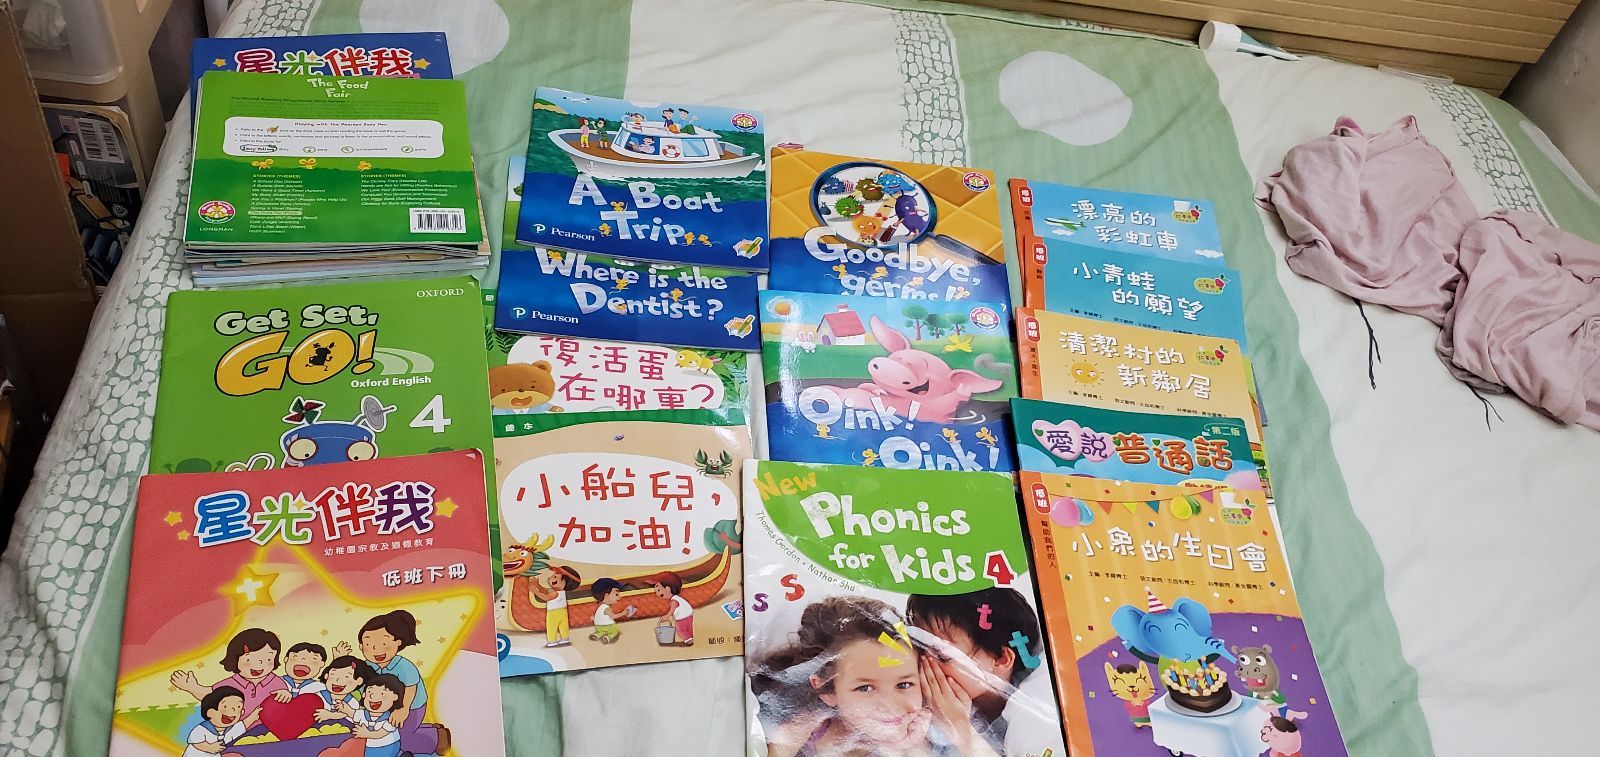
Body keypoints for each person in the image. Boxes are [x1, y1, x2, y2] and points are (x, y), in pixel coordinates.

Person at [750, 595, 997, 757]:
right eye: (865, 688)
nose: (890, 704)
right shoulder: (806, 729)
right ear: (827, 689)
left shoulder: (936, 730)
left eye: (904, 684)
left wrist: (916, 748)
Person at [906, 589, 1065, 757]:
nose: (923, 663)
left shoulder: (1039, 710)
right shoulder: (921, 721)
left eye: (941, 655)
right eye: (918, 646)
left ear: (1002, 659)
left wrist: (961, 730)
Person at [334, 610, 449, 755]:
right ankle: (426, 729)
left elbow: (411, 689)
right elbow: (350, 679)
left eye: (384, 643)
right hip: (384, 707)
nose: (377, 650)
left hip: (411, 706)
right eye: (369, 644)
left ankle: (437, 737)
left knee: (401, 740)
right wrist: (339, 660)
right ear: (361, 647)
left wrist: (403, 709)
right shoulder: (366, 666)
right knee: (385, 733)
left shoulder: (404, 666)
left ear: (398, 642)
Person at [170, 628, 287, 718]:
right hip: (236, 731)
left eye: (268, 659)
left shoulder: (276, 682)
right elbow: (211, 696)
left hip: (268, 730)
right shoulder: (230, 684)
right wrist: (191, 687)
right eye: (249, 659)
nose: (259, 665)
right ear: (235, 658)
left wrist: (286, 694)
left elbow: (288, 704)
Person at [183, 686, 259, 756]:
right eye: (225, 706)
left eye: (238, 707)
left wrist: (254, 716)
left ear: (242, 712)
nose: (233, 710)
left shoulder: (231, 730)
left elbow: (243, 725)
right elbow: (196, 743)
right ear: (210, 712)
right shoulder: (202, 729)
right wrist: (209, 747)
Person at [348, 674, 407, 757]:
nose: (373, 696)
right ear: (364, 695)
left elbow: (380, 733)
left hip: (387, 747)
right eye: (370, 692)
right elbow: (353, 713)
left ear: (394, 697)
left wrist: (367, 734)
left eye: (382, 693)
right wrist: (345, 708)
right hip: (368, 747)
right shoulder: (363, 714)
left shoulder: (390, 718)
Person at [315, 655, 375, 722]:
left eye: (346, 677)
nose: (338, 680)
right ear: (326, 676)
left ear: (359, 681)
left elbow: (348, 714)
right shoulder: (318, 696)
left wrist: (330, 715)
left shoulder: (352, 702)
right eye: (333, 674)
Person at [588, 577, 636, 644]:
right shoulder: (607, 608)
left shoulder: (599, 607)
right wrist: (624, 613)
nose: (620, 597)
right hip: (608, 625)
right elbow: (613, 616)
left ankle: (598, 634)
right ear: (606, 595)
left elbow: (594, 616)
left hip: (598, 626)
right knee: (614, 632)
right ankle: (608, 637)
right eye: (616, 594)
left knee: (602, 631)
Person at [651, 571, 693, 646]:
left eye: (658, 590)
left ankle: (688, 639)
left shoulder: (673, 600)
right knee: (688, 627)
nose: (657, 593)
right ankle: (690, 637)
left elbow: (673, 607)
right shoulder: (677, 598)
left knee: (680, 630)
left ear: (667, 589)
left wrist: (667, 616)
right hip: (689, 614)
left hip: (682, 617)